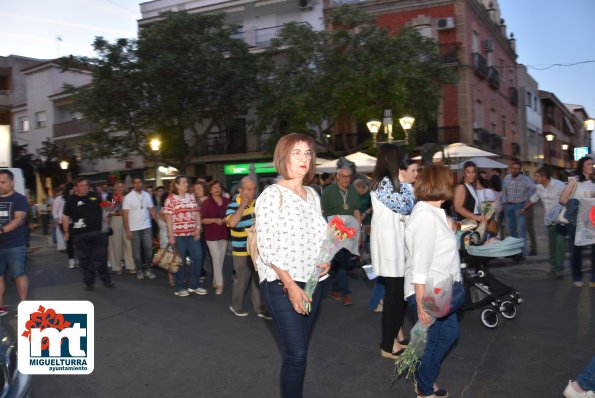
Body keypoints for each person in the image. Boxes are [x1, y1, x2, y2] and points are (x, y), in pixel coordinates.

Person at [255, 133, 330, 398]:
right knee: (296, 353)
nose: (303, 159)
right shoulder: (272, 196)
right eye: (296, 153)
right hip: (281, 283)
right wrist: (290, 285)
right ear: (283, 157)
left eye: (308, 153)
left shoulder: (312, 194)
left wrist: (327, 258)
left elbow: (321, 236)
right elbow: (267, 247)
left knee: (299, 352)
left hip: (314, 282)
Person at [404, 164, 465, 398]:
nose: (452, 185)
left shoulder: (434, 213)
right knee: (434, 340)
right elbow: (420, 262)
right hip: (429, 289)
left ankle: (424, 379)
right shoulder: (425, 217)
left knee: (448, 335)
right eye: (450, 180)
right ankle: (425, 388)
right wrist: (421, 303)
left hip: (440, 288)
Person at [369, 144, 416, 360]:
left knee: (397, 297)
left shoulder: (389, 183)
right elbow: (406, 206)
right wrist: (407, 184)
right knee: (394, 298)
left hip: (395, 246)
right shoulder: (384, 184)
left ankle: (394, 339)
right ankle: (387, 345)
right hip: (389, 247)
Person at [226, 176, 270, 319]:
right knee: (242, 280)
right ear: (240, 190)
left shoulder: (258, 204)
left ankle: (260, 308)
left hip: (257, 250)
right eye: (248, 190)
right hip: (241, 251)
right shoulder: (232, 205)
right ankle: (235, 306)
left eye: (253, 189)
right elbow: (232, 223)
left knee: (258, 280)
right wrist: (242, 204)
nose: (252, 193)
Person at [62, 177, 114, 291]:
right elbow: (65, 217)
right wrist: (66, 232)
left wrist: (106, 226)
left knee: (101, 258)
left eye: (86, 185)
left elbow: (105, 209)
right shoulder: (71, 200)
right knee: (85, 260)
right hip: (80, 235)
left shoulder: (95, 195)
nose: (85, 187)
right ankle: (89, 282)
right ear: (75, 188)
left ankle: (106, 280)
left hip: (99, 233)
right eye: (82, 185)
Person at [321, 162, 361, 306]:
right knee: (340, 262)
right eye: (343, 176)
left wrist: (359, 234)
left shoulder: (353, 191)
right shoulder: (329, 192)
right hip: (335, 232)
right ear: (337, 176)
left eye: (349, 177)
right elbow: (322, 213)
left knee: (342, 263)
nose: (346, 179)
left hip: (350, 232)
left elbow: (356, 212)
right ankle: (346, 293)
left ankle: (335, 289)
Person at [163, 176, 205, 296]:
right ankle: (179, 287)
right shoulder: (171, 199)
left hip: (192, 234)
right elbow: (168, 218)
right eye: (183, 182)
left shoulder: (191, 197)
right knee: (179, 261)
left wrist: (198, 228)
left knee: (198, 257)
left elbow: (197, 213)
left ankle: (194, 285)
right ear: (177, 185)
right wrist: (171, 235)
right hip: (178, 235)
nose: (186, 184)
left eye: (186, 182)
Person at [520, 167, 566, 278]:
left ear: (544, 177)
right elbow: (534, 198)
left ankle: (559, 269)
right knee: (552, 245)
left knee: (560, 244)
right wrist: (524, 209)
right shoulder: (539, 187)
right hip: (549, 220)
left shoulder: (559, 185)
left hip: (561, 219)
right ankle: (554, 267)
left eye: (537, 176)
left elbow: (569, 197)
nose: (535, 178)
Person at [560, 156, 595, 288]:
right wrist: (578, 206)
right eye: (588, 164)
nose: (591, 166)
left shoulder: (593, 181)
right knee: (577, 249)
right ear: (582, 166)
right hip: (576, 220)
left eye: (592, 164)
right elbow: (563, 199)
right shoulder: (574, 181)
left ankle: (593, 277)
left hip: (591, 220)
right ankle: (577, 276)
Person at [0, 169, 29, 317]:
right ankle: (1, 307)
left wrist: (1, 230)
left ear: (12, 182)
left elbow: (18, 220)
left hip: (15, 244)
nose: (0, 185)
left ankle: (22, 306)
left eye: (3, 182)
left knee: (18, 274)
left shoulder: (19, 199)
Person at [122, 177, 159, 280]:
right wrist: (127, 230)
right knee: (136, 252)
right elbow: (125, 215)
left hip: (146, 227)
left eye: (140, 182)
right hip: (134, 229)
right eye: (136, 182)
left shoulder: (147, 195)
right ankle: (139, 269)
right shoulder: (128, 197)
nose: (138, 184)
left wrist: (159, 224)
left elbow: (152, 210)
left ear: (142, 183)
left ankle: (148, 269)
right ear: (133, 184)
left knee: (148, 250)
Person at [200, 180, 230, 295]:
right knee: (216, 258)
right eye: (214, 187)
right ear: (210, 190)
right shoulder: (206, 203)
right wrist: (214, 220)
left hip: (223, 233)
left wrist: (226, 219)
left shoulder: (227, 201)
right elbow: (202, 219)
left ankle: (215, 280)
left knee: (220, 259)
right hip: (211, 235)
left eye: (219, 187)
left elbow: (232, 214)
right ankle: (219, 284)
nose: (217, 189)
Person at [502, 160, 535, 258]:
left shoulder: (525, 179)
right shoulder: (506, 178)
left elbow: (534, 188)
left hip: (520, 207)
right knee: (511, 231)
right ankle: (513, 252)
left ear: (520, 169)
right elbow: (504, 191)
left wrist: (528, 202)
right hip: (508, 206)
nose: (515, 170)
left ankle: (522, 253)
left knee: (521, 231)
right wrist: (504, 202)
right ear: (511, 169)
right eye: (513, 169)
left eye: (517, 169)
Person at [108, 182, 135, 275]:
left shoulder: (128, 197)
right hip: (116, 221)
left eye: (122, 186)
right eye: (118, 186)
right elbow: (109, 211)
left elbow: (131, 209)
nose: (120, 188)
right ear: (115, 188)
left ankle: (131, 266)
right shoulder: (111, 198)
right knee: (116, 244)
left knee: (129, 243)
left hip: (127, 220)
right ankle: (116, 267)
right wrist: (117, 212)